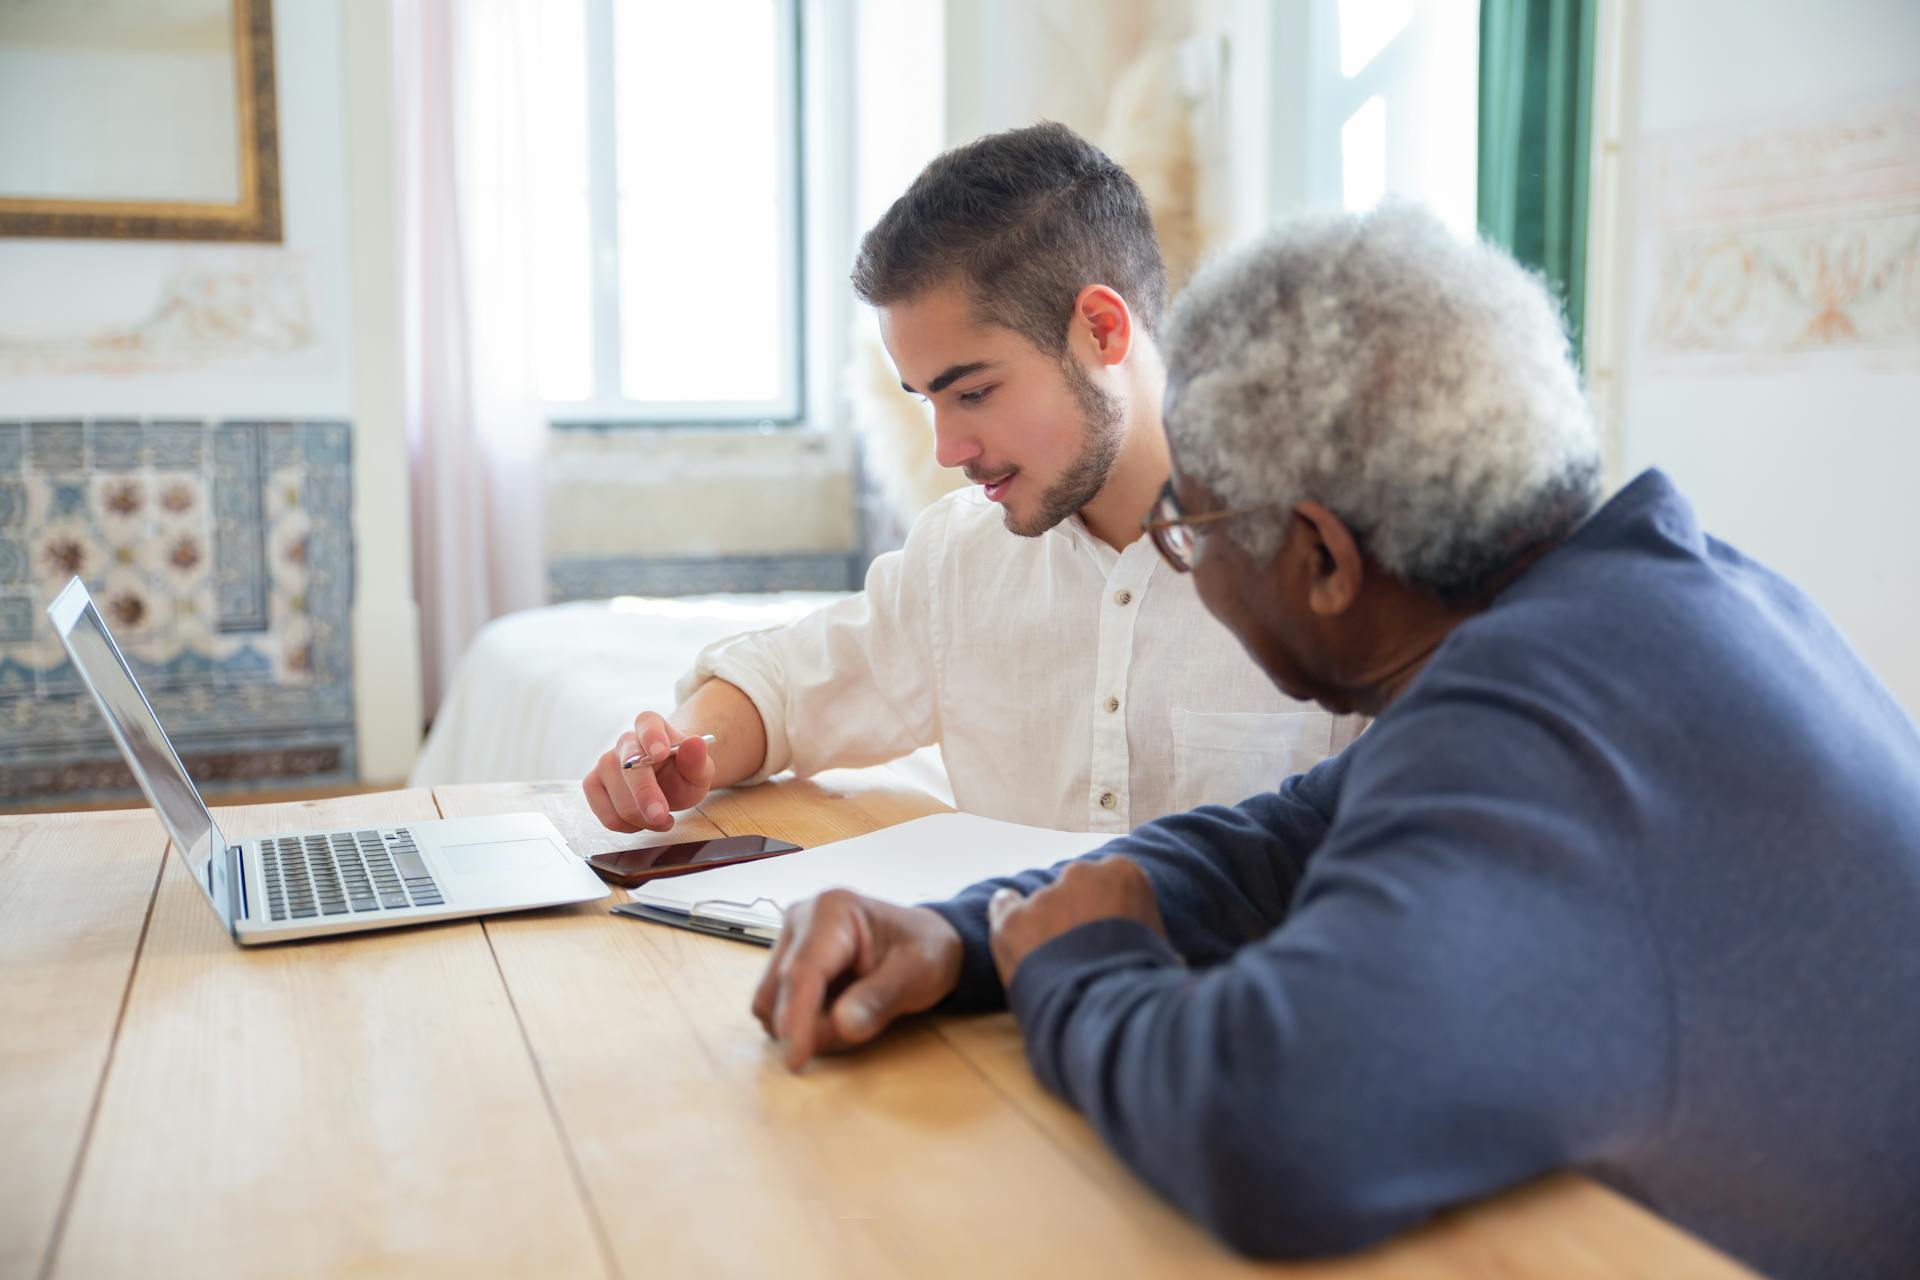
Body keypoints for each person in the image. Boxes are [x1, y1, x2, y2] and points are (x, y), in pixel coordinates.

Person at [748, 203, 1920, 1279]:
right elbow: (1288, 837)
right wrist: (969, 935)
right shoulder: (1645, 606)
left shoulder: (1542, 726)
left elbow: (1276, 1128)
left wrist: (1080, 968)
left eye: (1190, 527)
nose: (1184, 559)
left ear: (1321, 558)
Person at [582, 122, 1355, 839]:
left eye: (974, 392)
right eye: (926, 401)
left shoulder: (1330, 563)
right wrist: (684, 750)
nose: (947, 449)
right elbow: (783, 685)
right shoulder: (960, 559)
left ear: (1103, 330)